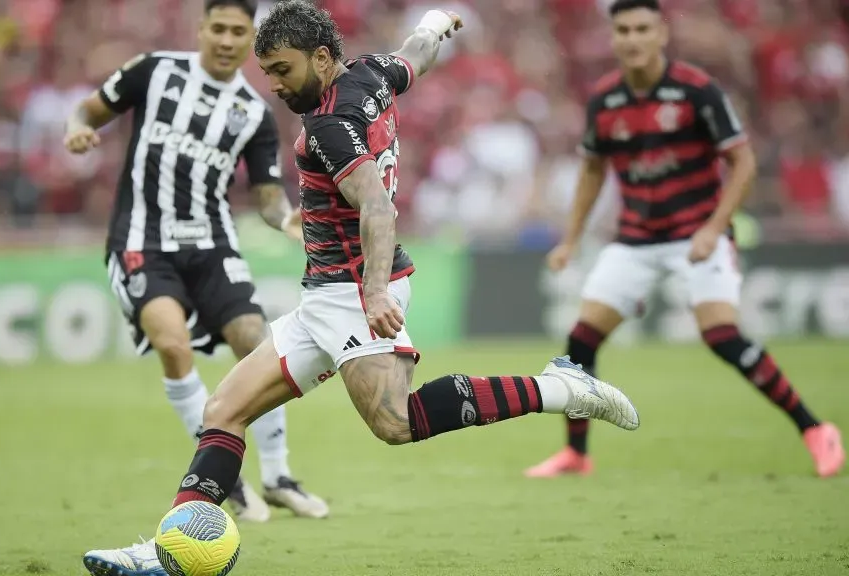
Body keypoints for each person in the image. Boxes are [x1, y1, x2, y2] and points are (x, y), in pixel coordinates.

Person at [82, 2, 641, 573]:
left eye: (282, 69)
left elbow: (375, 203)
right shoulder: (371, 74)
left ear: (322, 58)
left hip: (356, 292)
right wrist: (432, 25)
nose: (274, 84)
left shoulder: (328, 126)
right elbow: (414, 57)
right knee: (223, 410)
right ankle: (168, 549)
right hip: (326, 296)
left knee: (395, 423)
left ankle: (558, 389)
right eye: (268, 71)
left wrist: (373, 293)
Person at [524, 0, 844, 479]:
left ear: (661, 34)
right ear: (613, 38)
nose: (632, 38)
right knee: (580, 339)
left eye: (642, 29)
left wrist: (714, 229)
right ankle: (577, 454)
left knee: (721, 335)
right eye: (624, 30)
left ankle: (815, 429)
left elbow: (744, 162)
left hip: (696, 232)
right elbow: (593, 169)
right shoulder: (605, 99)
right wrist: (570, 239)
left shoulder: (696, 91)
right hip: (635, 239)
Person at [63, 0, 329, 535]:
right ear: (202, 29)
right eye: (220, 29)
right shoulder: (154, 70)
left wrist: (286, 221)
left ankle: (278, 476)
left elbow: (268, 194)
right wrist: (77, 129)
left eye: (239, 31)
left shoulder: (252, 110)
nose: (228, 41)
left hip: (212, 245)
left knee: (258, 342)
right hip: (142, 241)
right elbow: (89, 110)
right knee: (172, 344)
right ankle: (227, 482)